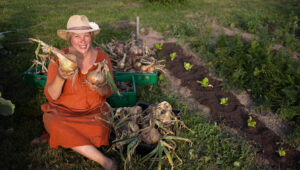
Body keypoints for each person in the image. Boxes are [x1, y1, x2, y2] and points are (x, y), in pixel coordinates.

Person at [40, 15, 118, 170]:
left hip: (94, 113)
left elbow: (108, 92)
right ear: (69, 38)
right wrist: (61, 77)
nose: (83, 41)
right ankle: (106, 162)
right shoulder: (60, 58)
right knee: (55, 123)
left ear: (91, 37)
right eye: (77, 36)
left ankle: (66, 138)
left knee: (100, 128)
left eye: (86, 36)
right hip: (63, 112)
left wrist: (100, 87)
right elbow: (51, 96)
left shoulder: (102, 58)